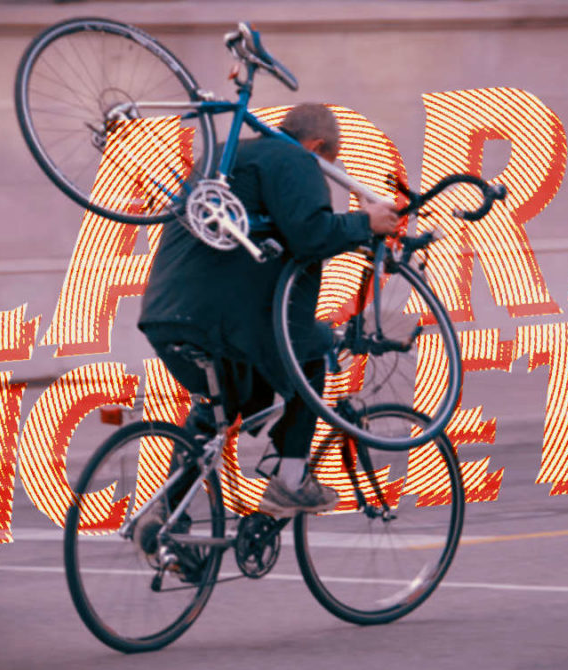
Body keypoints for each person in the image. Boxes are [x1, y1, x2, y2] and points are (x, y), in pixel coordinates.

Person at [136, 103, 399, 528]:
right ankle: (291, 479)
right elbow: (310, 234)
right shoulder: (295, 159)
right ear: (317, 147)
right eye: (330, 160)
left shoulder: (223, 156)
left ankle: (168, 522)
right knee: (314, 348)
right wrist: (366, 222)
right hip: (226, 318)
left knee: (216, 409)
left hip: (166, 312)